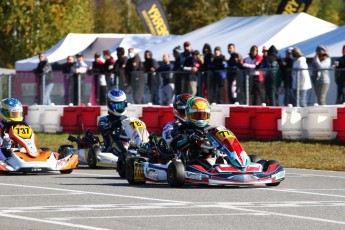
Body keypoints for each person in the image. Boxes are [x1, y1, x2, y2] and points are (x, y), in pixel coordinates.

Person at [170, 96, 215, 168]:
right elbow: (175, 145)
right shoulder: (182, 128)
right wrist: (190, 138)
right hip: (190, 161)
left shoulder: (210, 129)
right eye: (197, 115)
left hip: (212, 158)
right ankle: (213, 169)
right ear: (188, 114)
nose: (200, 119)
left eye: (203, 115)